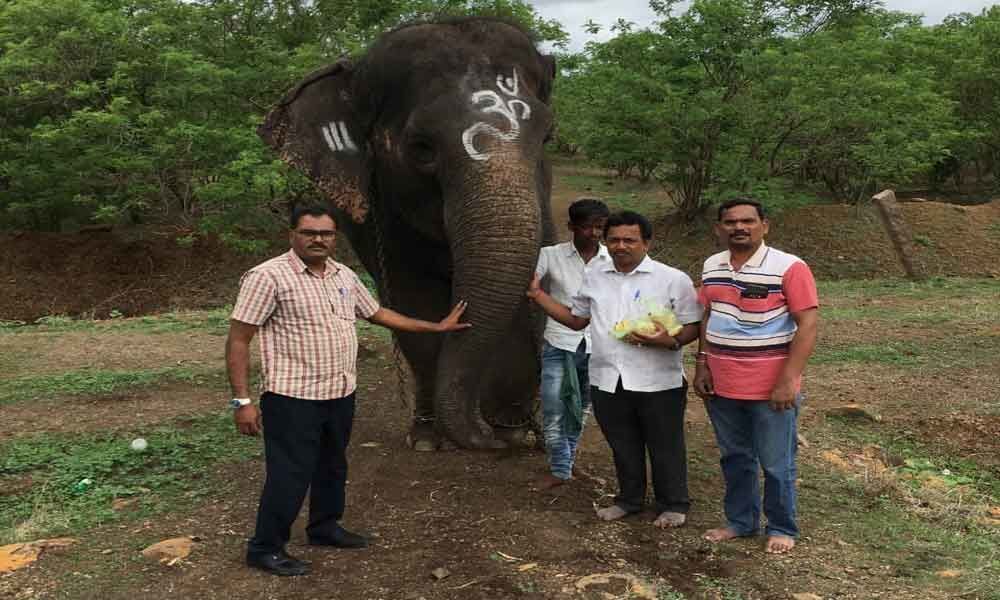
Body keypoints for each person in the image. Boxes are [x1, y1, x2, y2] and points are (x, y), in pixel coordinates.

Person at [226, 205, 471, 577]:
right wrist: (242, 401)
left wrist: (434, 327)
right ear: (292, 235)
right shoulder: (268, 277)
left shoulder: (343, 275)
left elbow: (378, 314)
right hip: (292, 397)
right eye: (309, 233)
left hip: (339, 392)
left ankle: (324, 528)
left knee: (332, 466)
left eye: (325, 233)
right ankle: (265, 548)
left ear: (334, 237)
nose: (318, 240)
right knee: (289, 475)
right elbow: (239, 340)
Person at [527, 210, 702, 528]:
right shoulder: (595, 277)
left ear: (646, 242)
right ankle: (629, 500)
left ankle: (673, 503)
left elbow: (692, 326)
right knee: (623, 443)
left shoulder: (672, 279)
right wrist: (538, 295)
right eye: (614, 240)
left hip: (658, 379)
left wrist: (669, 340)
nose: (621, 246)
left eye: (630, 240)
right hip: (607, 377)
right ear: (606, 242)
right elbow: (577, 319)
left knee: (665, 444)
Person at [693, 198, 818, 554]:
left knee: (777, 463)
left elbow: (807, 324)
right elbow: (708, 315)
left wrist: (787, 380)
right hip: (722, 383)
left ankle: (780, 526)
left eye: (748, 221)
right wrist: (702, 363)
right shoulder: (712, 265)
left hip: (770, 386)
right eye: (730, 222)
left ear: (765, 225)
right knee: (734, 457)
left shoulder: (789, 267)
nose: (739, 228)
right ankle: (741, 521)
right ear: (719, 228)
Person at [534, 198, 610, 489]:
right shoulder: (550, 255)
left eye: (599, 227)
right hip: (559, 341)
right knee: (554, 405)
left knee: (581, 407)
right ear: (571, 227)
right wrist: (543, 299)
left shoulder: (611, 259)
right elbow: (533, 287)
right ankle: (560, 468)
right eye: (587, 227)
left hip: (598, 345)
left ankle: (565, 464)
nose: (593, 233)